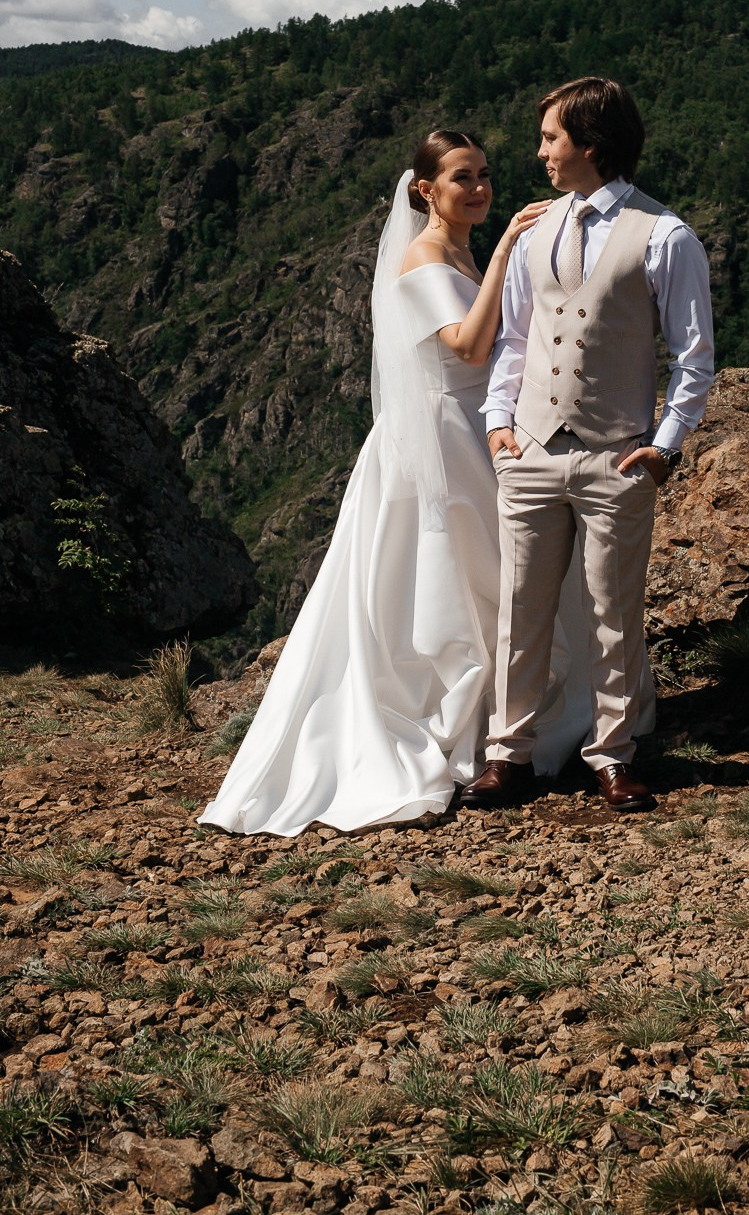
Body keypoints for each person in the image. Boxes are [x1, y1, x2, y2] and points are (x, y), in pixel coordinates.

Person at [199, 130, 591, 836]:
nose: (479, 188)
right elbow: (467, 345)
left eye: (484, 175)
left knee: (503, 576)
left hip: (486, 425)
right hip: (444, 435)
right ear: (425, 191)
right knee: (456, 579)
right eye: (462, 178)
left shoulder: (462, 250)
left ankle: (509, 725)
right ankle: (465, 725)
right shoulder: (427, 254)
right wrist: (507, 252)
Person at [461, 77, 715, 814]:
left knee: (613, 610)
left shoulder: (666, 237)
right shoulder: (536, 230)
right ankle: (509, 755)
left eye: (550, 138)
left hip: (617, 454)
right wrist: (499, 422)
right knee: (521, 606)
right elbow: (514, 338)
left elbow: (694, 358)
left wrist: (664, 446)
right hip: (531, 450)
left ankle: (613, 755)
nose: (539, 151)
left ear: (591, 146)